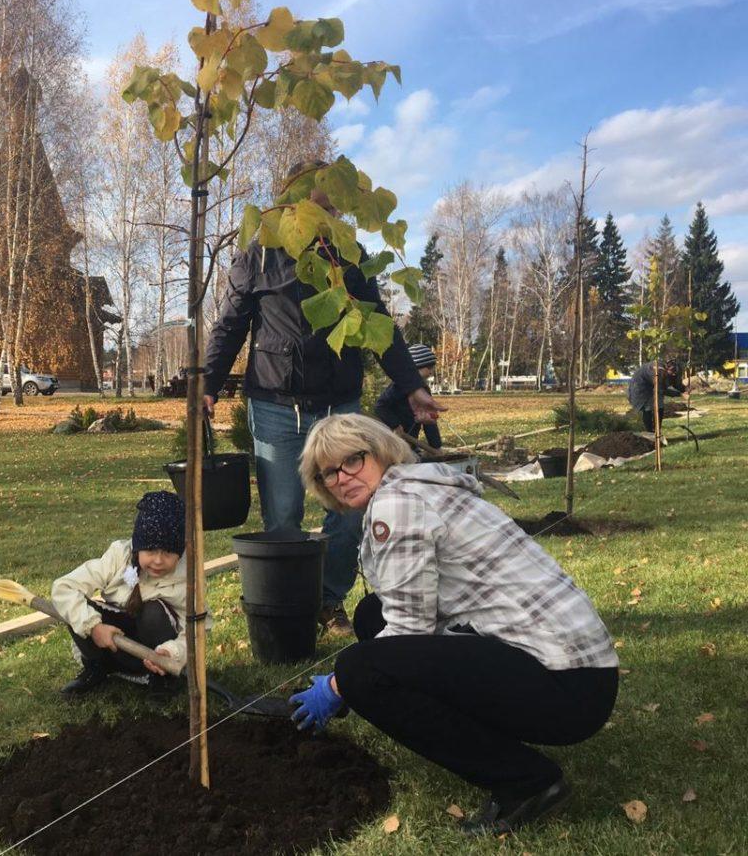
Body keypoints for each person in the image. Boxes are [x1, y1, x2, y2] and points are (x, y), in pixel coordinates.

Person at [287, 414, 618, 836]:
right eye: (328, 473)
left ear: (380, 451)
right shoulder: (418, 487)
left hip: (568, 689)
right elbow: (406, 612)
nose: (342, 478)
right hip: (579, 672)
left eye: (353, 460)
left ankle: (527, 782)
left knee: (360, 669)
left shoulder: (396, 504)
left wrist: (337, 687)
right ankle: (485, 740)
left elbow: (408, 631)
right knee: (373, 613)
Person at [203, 160, 444, 636]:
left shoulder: (347, 256)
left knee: (350, 511)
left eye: (333, 205)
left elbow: (378, 326)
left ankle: (328, 600)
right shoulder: (259, 254)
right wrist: (207, 385)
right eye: (319, 202)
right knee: (284, 515)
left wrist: (412, 385)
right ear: (291, 201)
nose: (327, 212)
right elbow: (229, 326)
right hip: (275, 404)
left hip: (339, 406)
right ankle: (288, 607)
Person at [51, 491, 194, 696]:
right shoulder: (119, 556)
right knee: (78, 607)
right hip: (114, 646)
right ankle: (97, 667)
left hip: (153, 654)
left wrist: (172, 652)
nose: (158, 560)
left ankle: (161, 678)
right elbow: (64, 587)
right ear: (138, 546)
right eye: (151, 550)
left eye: (168, 552)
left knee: (153, 612)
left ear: (180, 552)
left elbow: (195, 631)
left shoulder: (187, 576)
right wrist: (94, 627)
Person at [373, 343, 443, 451]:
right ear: (414, 369)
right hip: (392, 443)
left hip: (410, 444)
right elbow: (380, 407)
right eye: (429, 367)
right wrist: (395, 425)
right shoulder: (398, 387)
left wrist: (436, 446)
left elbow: (429, 422)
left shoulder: (424, 390)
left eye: (432, 367)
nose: (431, 371)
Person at [627, 359, 686, 432]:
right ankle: (650, 432)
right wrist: (680, 394)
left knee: (660, 406)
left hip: (652, 386)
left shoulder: (673, 370)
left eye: (675, 373)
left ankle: (657, 431)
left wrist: (684, 389)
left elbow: (675, 382)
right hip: (640, 389)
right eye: (672, 372)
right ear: (667, 368)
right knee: (648, 407)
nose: (674, 374)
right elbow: (661, 390)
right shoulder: (658, 372)